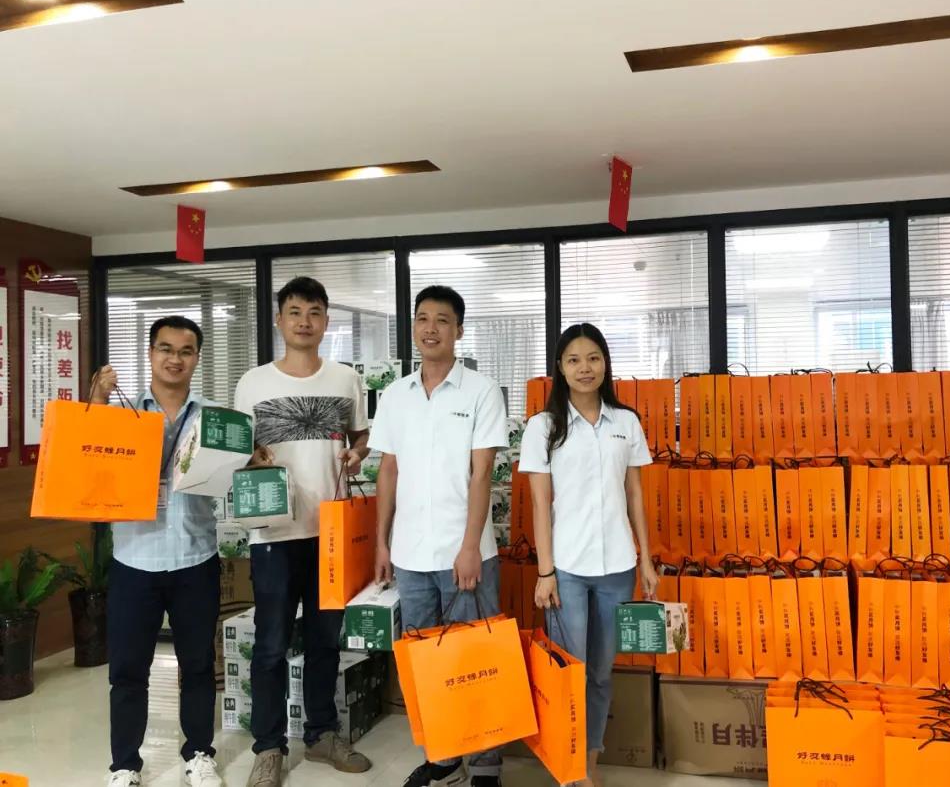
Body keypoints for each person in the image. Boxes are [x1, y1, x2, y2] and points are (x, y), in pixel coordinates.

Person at [234, 277, 370, 787]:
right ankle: (269, 748)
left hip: (331, 532)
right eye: (295, 312)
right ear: (279, 320)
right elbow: (237, 450)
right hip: (272, 533)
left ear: (326, 322)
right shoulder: (253, 383)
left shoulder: (345, 379)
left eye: (314, 312)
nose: (304, 321)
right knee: (270, 644)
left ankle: (321, 735)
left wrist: (357, 453)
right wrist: (251, 457)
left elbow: (361, 435)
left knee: (324, 640)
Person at [370, 285, 508, 787]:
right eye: (423, 319)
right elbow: (388, 470)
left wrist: (470, 546)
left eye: (442, 320)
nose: (431, 329)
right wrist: (382, 542)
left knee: (475, 658)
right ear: (413, 328)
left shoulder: (481, 391)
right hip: (410, 556)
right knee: (426, 664)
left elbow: (482, 472)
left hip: (464, 554)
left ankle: (487, 764)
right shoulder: (395, 396)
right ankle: (445, 758)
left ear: (459, 330)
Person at [518, 323, 659, 787]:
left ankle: (589, 761)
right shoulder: (543, 427)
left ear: (605, 365)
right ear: (560, 368)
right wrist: (545, 572)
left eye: (593, 358)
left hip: (618, 566)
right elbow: (540, 503)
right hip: (567, 569)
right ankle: (569, 761)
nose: (585, 368)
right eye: (574, 360)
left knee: (600, 673)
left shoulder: (625, 422)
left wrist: (646, 559)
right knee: (569, 672)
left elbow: (635, 496)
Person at [93, 316, 224, 787]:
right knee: (128, 670)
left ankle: (199, 754)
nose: (175, 359)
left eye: (186, 351)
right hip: (135, 559)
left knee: (198, 665)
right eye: (165, 348)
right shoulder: (121, 413)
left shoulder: (213, 418)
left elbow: (230, 471)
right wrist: (98, 398)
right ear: (150, 354)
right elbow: (89, 452)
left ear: (197, 358)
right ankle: (125, 765)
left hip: (195, 557)